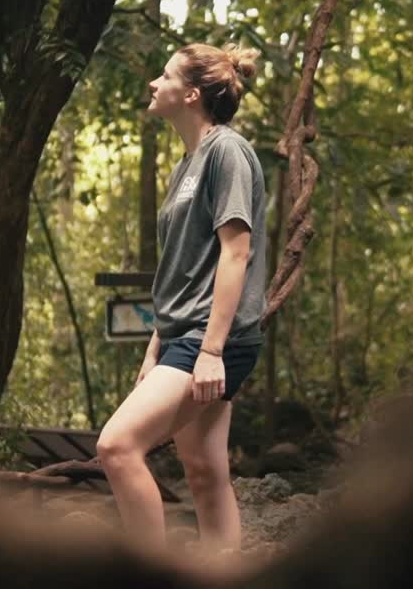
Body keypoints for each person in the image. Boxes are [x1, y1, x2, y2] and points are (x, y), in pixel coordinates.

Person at [96, 43, 267, 554]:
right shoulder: (186, 164)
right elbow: (182, 270)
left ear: (190, 94)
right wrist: (154, 348)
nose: (153, 82)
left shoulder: (227, 152)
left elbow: (235, 254)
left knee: (118, 446)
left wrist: (211, 351)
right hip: (182, 336)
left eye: (164, 74)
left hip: (213, 340)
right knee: (204, 472)